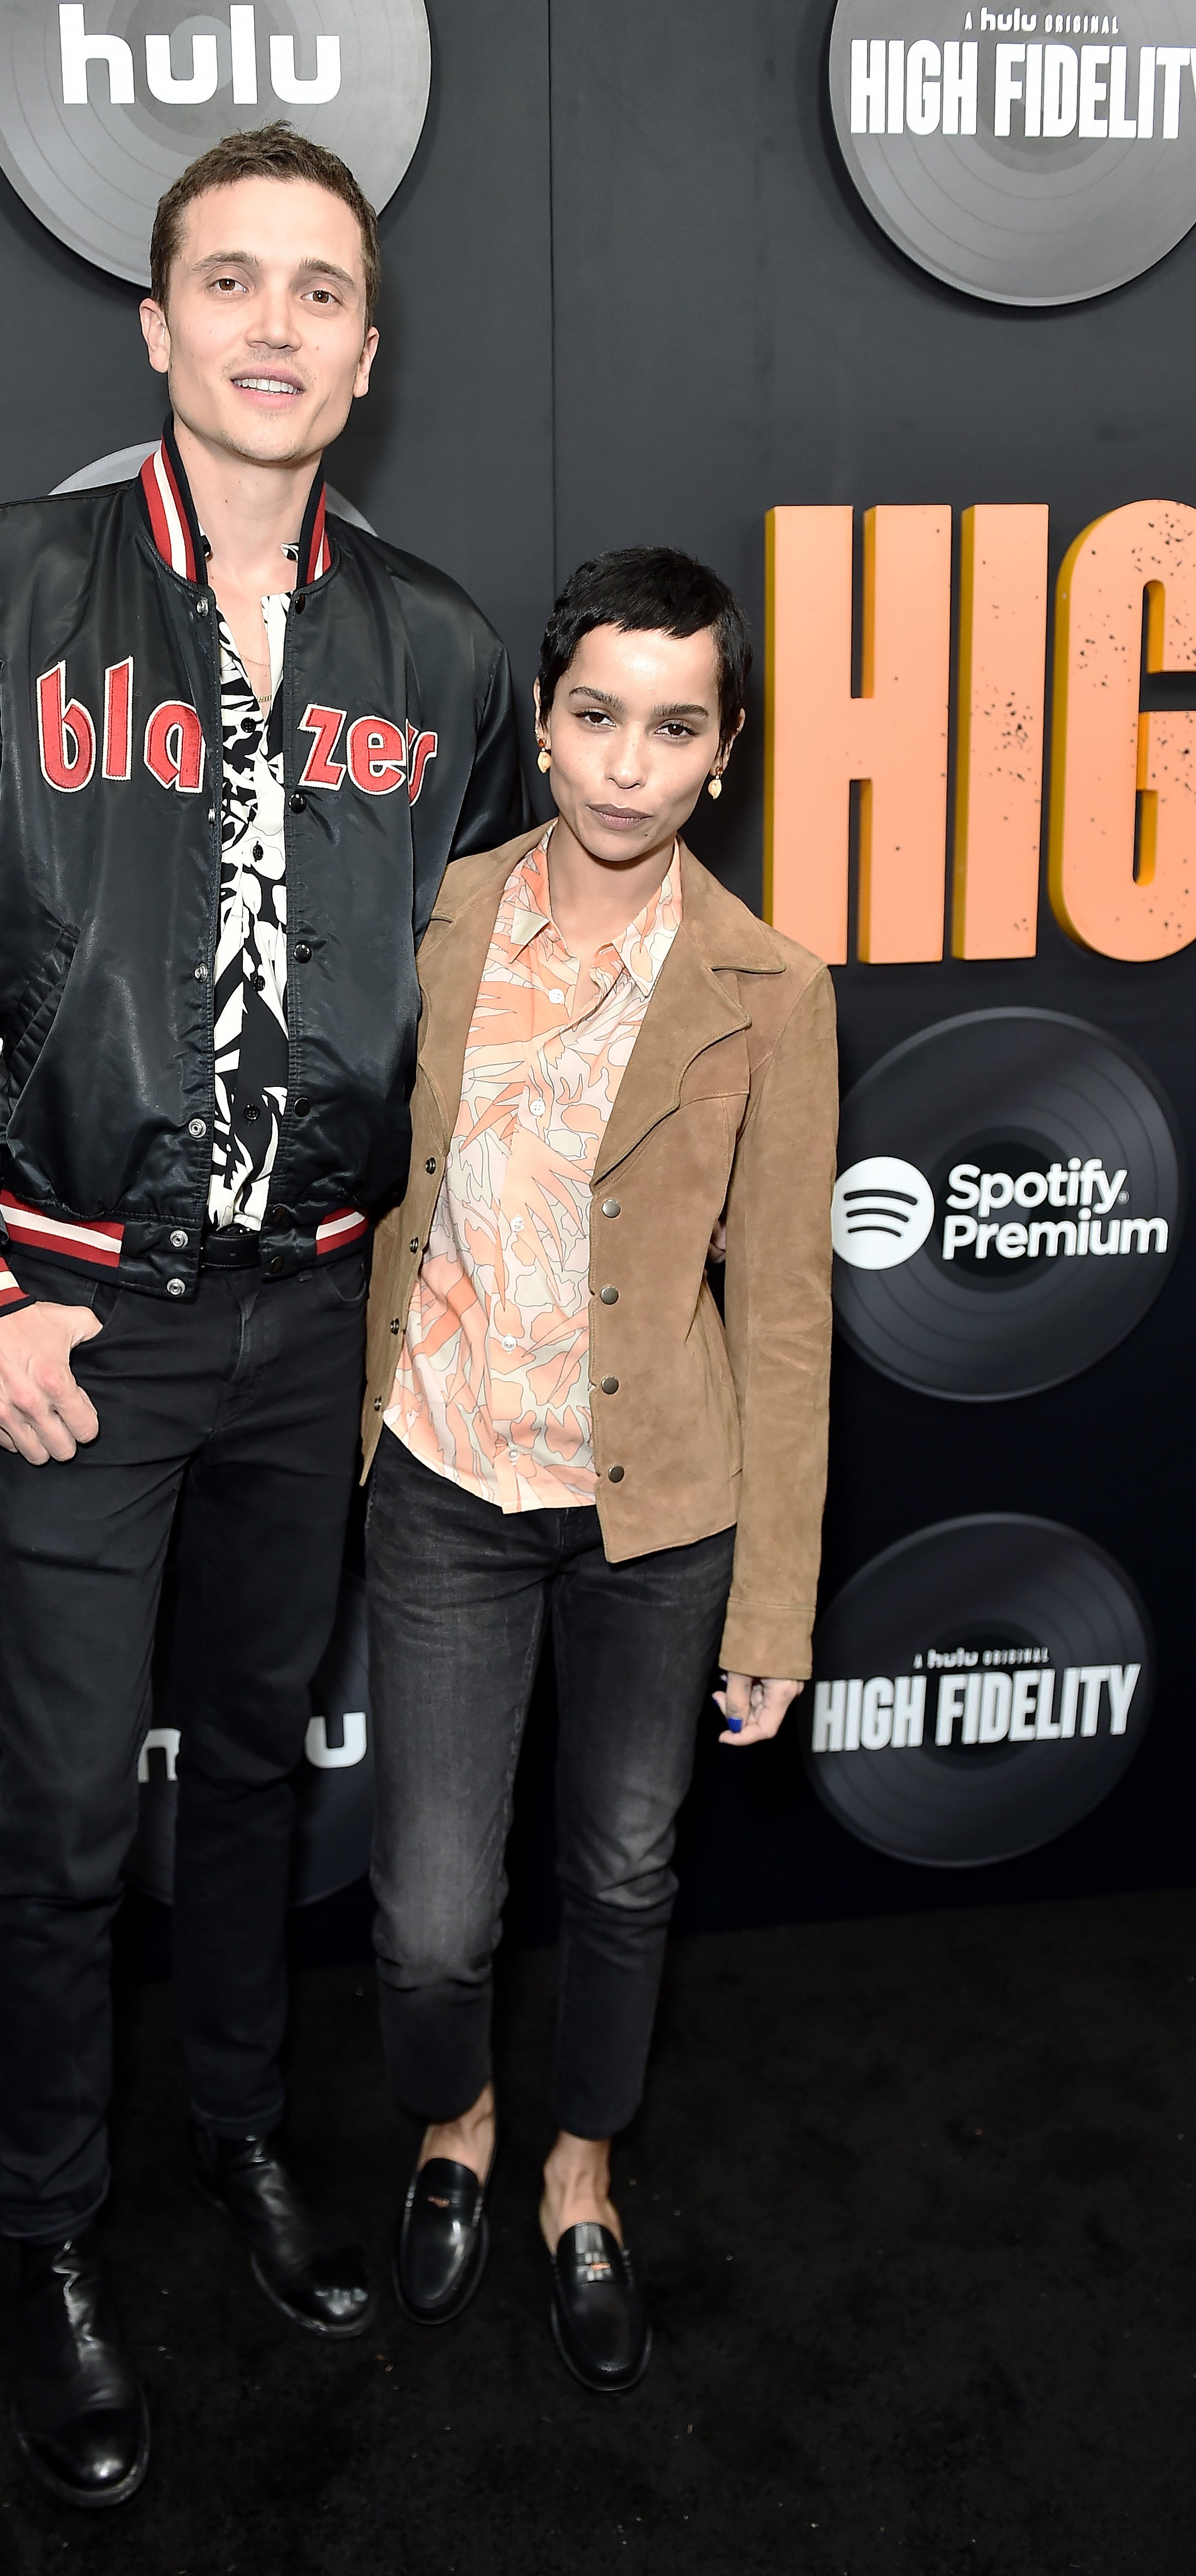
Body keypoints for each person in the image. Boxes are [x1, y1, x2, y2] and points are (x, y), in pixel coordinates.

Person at [0, 125, 530, 2507]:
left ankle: (235, 2131)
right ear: (153, 326)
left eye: (321, 291)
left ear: (366, 347)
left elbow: (508, 988)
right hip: (76, 1325)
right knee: (52, 1819)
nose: (273, 325)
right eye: (229, 280)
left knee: (252, 1773)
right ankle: (47, 2230)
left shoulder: (438, 647)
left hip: (315, 1323)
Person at [359, 547, 837, 2393]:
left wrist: (776, 1601)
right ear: (545, 724)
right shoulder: (441, 915)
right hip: (446, 1481)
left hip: (661, 1515)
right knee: (426, 1913)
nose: (629, 763)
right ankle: (454, 2126)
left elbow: (785, 1308)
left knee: (629, 1873)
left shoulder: (771, 987)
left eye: (676, 726)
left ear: (723, 755)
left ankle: (579, 2173)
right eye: (596, 717)